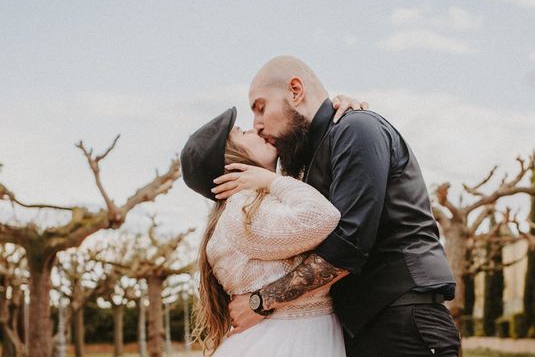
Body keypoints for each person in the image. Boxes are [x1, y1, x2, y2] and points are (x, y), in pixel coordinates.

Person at [213, 56, 461, 357]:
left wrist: (261, 301)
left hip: (403, 321)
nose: (257, 124)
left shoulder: (356, 128)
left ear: (295, 90)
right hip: (364, 329)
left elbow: (349, 245)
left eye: (261, 107)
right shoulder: (308, 156)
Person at [180, 99, 364, 356]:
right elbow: (322, 217)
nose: (255, 130)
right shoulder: (244, 209)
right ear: (230, 161)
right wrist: (272, 180)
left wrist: (342, 108)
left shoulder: (256, 204)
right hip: (287, 342)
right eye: (242, 133)